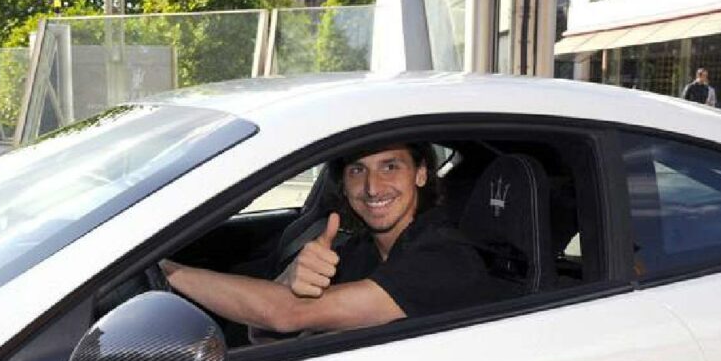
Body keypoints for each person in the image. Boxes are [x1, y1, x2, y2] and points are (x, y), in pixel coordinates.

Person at [162, 143, 493, 334]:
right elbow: (263, 335)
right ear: (344, 185)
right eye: (357, 170)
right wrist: (289, 279)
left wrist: (167, 271)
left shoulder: (443, 260)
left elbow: (288, 315)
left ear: (421, 173)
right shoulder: (358, 251)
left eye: (390, 167)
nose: (373, 187)